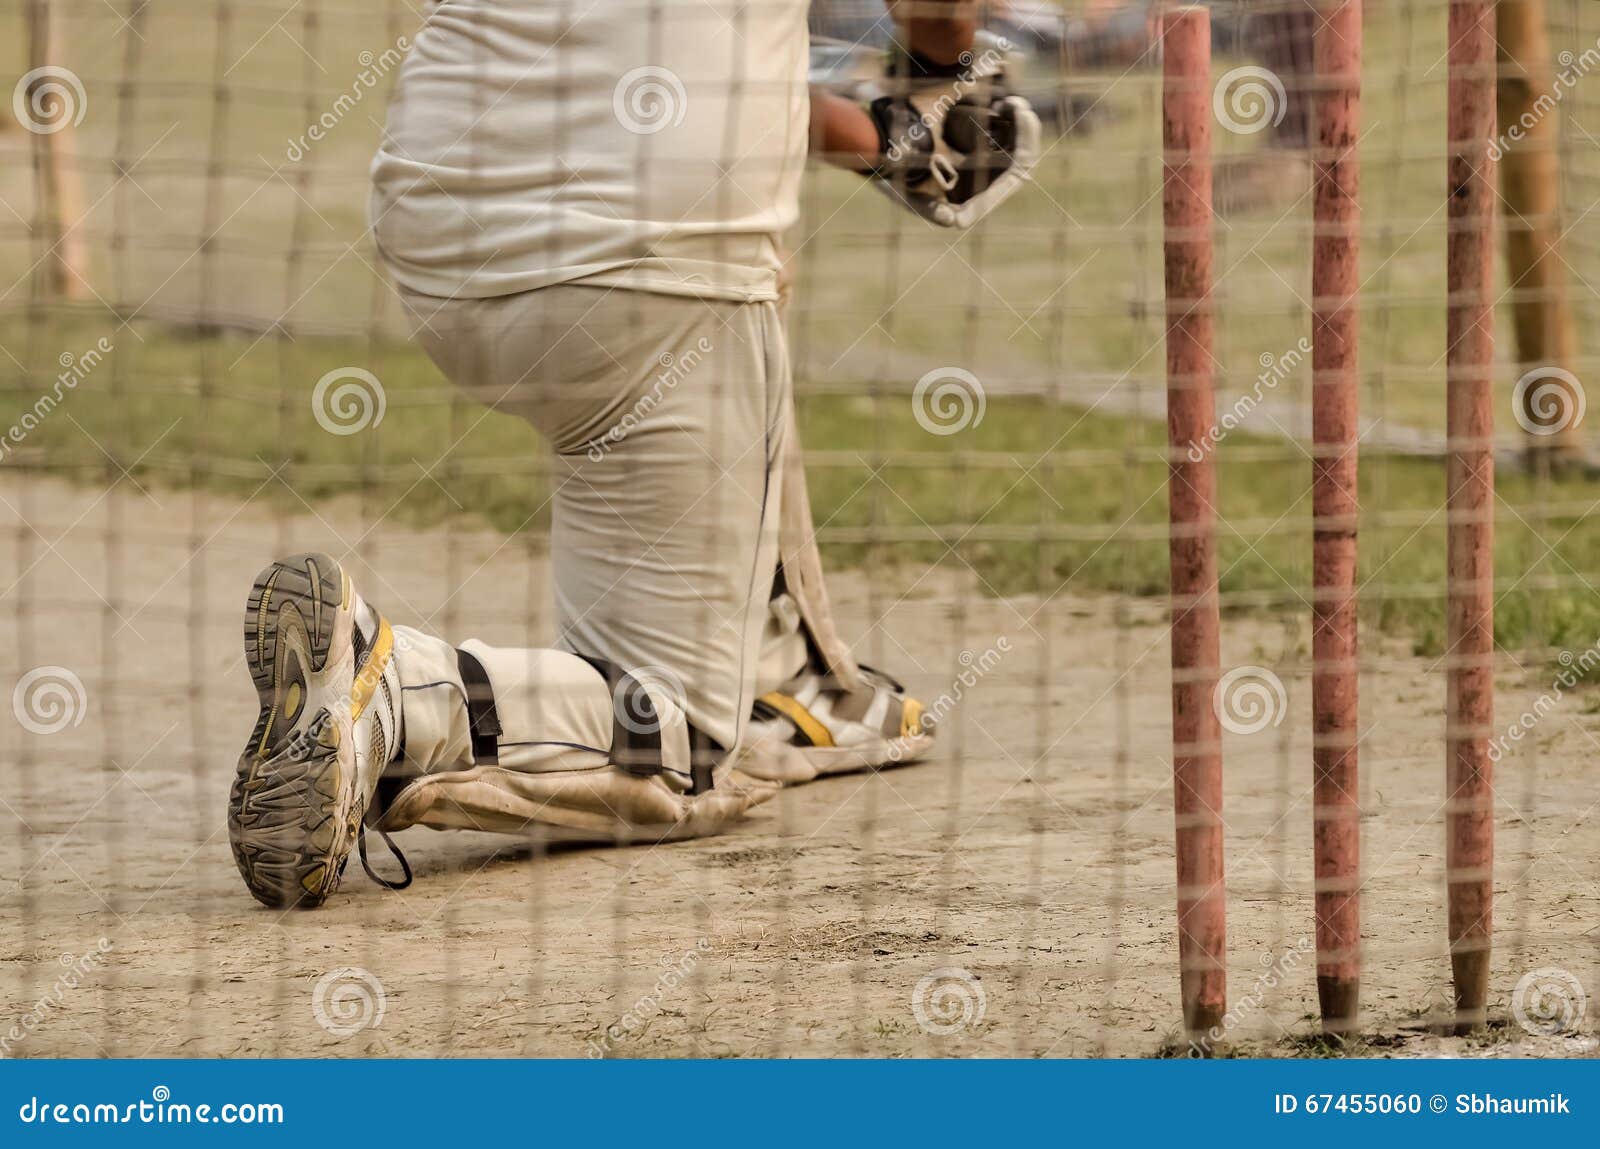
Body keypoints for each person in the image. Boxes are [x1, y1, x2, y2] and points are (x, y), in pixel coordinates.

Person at [226, 0, 1037, 908]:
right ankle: (395, 691)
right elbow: (939, 12)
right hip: (648, 283)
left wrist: (871, 132)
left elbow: (661, 65)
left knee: (726, 355)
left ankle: (782, 666)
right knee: (685, 739)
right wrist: (940, 72)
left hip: (442, 256)